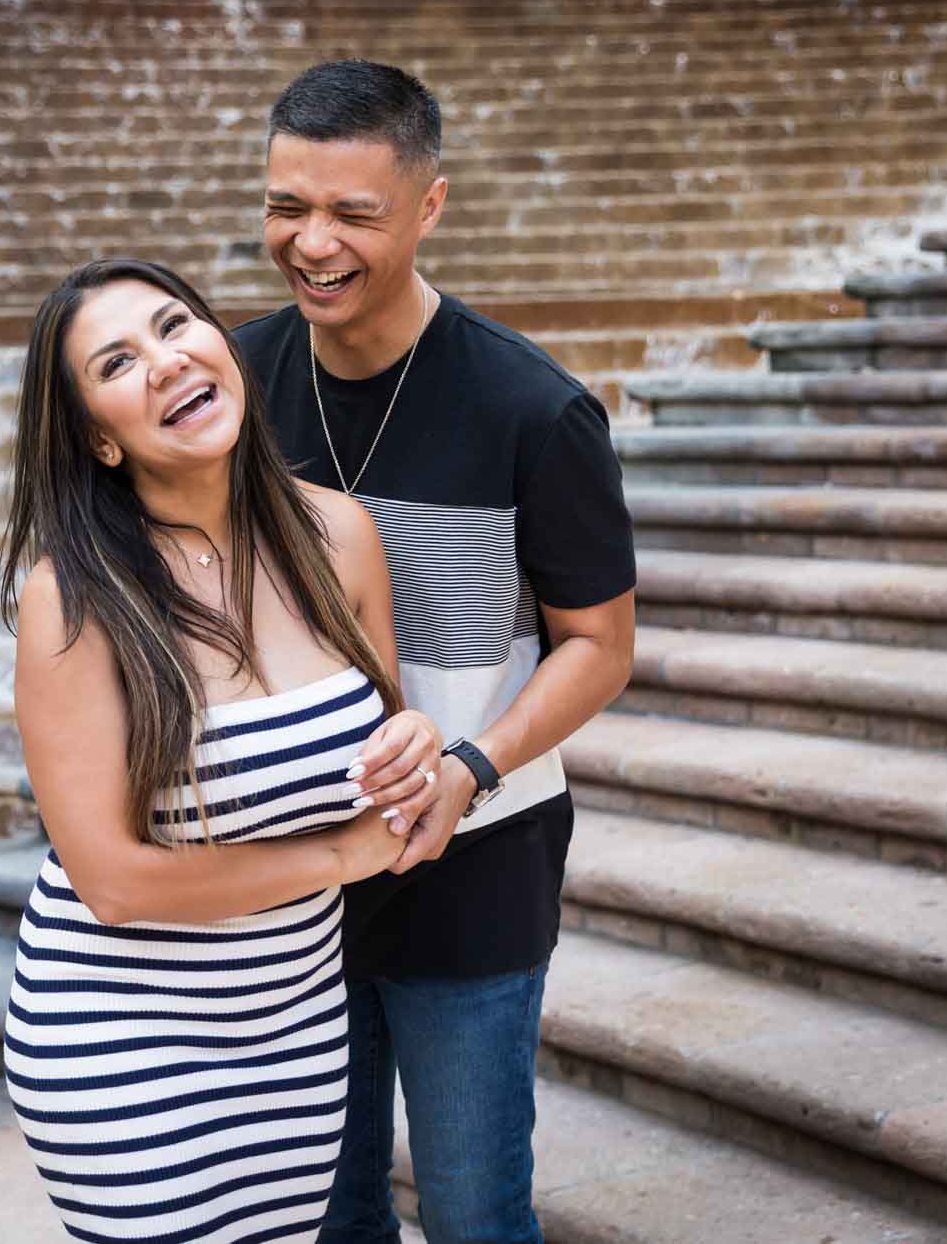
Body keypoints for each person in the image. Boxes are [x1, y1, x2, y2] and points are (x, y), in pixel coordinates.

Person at [234, 60, 639, 1243]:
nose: (311, 243)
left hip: (477, 869)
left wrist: (472, 760)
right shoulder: (231, 383)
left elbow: (599, 646)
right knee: (326, 1212)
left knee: (469, 1211)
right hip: (291, 882)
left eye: (352, 213)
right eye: (285, 206)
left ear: (428, 205)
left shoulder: (533, 410)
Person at [0, 257, 454, 1243]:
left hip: (290, 1024)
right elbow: (111, 880)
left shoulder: (337, 532)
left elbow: (374, 770)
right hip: (120, 1036)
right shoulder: (73, 599)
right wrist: (336, 860)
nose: (164, 361)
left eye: (173, 326)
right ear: (97, 440)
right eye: (117, 361)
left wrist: (412, 746)